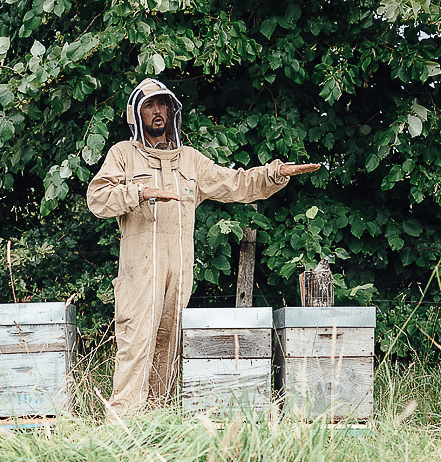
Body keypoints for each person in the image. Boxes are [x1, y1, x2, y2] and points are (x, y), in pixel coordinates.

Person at [86, 78, 320, 418]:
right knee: (136, 345)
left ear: (172, 111)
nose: (157, 111)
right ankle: (121, 426)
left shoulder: (191, 161)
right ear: (137, 113)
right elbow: (97, 199)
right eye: (150, 105)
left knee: (168, 347)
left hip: (178, 274)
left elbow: (235, 182)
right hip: (139, 275)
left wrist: (276, 173)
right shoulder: (123, 155)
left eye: (162, 104)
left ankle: (156, 423)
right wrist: (139, 193)